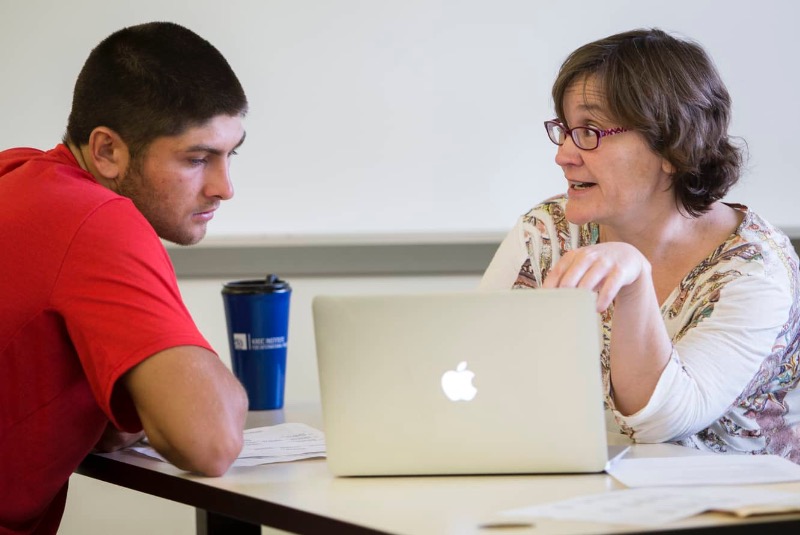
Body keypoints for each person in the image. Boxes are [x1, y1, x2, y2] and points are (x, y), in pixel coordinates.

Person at [481, 28, 800, 461]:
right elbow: (474, 364)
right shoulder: (547, 232)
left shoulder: (754, 269)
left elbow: (662, 422)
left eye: (590, 130)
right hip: (585, 497)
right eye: (566, 130)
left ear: (673, 146)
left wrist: (634, 280)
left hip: (733, 514)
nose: (564, 155)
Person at [0, 22, 250, 534]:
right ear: (108, 151)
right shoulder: (95, 218)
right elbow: (209, 440)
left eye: (232, 154)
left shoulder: (17, 176)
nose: (224, 188)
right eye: (198, 158)